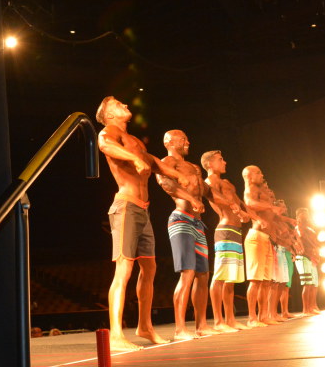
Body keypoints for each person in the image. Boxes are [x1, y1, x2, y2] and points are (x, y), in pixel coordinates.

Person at [96, 96, 190, 352]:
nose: (125, 105)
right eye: (118, 104)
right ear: (109, 114)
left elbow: (153, 161)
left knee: (149, 268)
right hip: (126, 206)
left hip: (143, 209)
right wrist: (134, 159)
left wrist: (176, 174)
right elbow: (105, 145)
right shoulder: (109, 132)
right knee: (124, 269)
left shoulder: (134, 141)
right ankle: (116, 334)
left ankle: (145, 327)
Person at [155, 130, 209, 340]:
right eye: (182, 139)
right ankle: (179, 329)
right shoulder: (167, 162)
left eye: (187, 138)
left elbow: (206, 191)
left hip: (198, 223)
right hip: (181, 219)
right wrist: (191, 199)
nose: (188, 141)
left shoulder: (195, 167)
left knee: (203, 275)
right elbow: (166, 183)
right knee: (187, 273)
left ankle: (201, 326)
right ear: (168, 141)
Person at [201, 150, 251, 332]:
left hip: (236, 231)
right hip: (225, 230)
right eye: (220, 160)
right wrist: (234, 207)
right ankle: (218, 320)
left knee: (231, 278)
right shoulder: (209, 181)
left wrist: (246, 213)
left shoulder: (227, 183)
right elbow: (214, 197)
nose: (224, 162)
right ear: (209, 164)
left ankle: (230, 319)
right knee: (220, 276)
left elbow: (240, 203)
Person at [242, 165, 283, 326]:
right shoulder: (251, 188)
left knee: (266, 281)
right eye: (258, 172)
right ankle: (252, 318)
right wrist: (271, 206)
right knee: (255, 280)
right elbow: (249, 202)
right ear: (250, 176)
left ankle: (263, 316)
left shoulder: (261, 191)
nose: (262, 174)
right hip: (257, 237)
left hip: (266, 239)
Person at [295, 207, 321, 315]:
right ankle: (305, 309)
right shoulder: (298, 227)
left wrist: (316, 252)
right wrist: (314, 246)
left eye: (307, 213)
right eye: (304, 214)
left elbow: (316, 241)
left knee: (314, 284)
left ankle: (312, 306)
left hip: (312, 258)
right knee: (307, 284)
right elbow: (301, 238)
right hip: (303, 257)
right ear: (299, 216)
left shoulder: (310, 227)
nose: (306, 215)